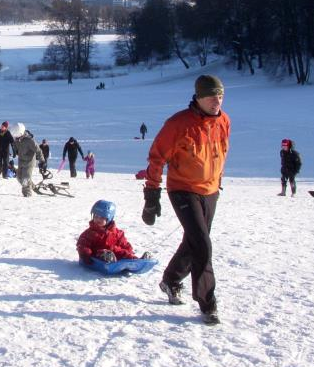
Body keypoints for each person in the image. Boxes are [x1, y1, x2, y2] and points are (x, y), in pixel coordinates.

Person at [142, 74, 230, 325]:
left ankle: (170, 280)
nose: (217, 101)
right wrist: (152, 194)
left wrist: (217, 180)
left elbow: (221, 152)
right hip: (183, 189)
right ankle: (207, 303)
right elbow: (157, 157)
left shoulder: (224, 121)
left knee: (194, 242)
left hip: (210, 190)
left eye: (221, 95)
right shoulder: (178, 124)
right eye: (212, 96)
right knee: (202, 244)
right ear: (199, 97)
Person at [77, 200, 151, 264]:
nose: (98, 220)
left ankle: (138, 261)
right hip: (98, 255)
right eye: (96, 216)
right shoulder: (90, 233)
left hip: (115, 252)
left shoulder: (117, 232)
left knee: (123, 252)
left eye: (102, 217)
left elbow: (124, 244)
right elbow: (82, 245)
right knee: (103, 253)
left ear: (109, 219)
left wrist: (129, 251)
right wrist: (85, 254)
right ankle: (109, 259)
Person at [9, 122, 44, 197]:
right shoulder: (16, 140)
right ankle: (34, 187)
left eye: (16, 136)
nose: (15, 137)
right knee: (19, 177)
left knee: (25, 179)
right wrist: (12, 156)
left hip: (29, 162)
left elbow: (38, 150)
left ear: (21, 133)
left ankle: (27, 195)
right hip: (21, 161)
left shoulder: (29, 140)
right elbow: (15, 149)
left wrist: (42, 161)